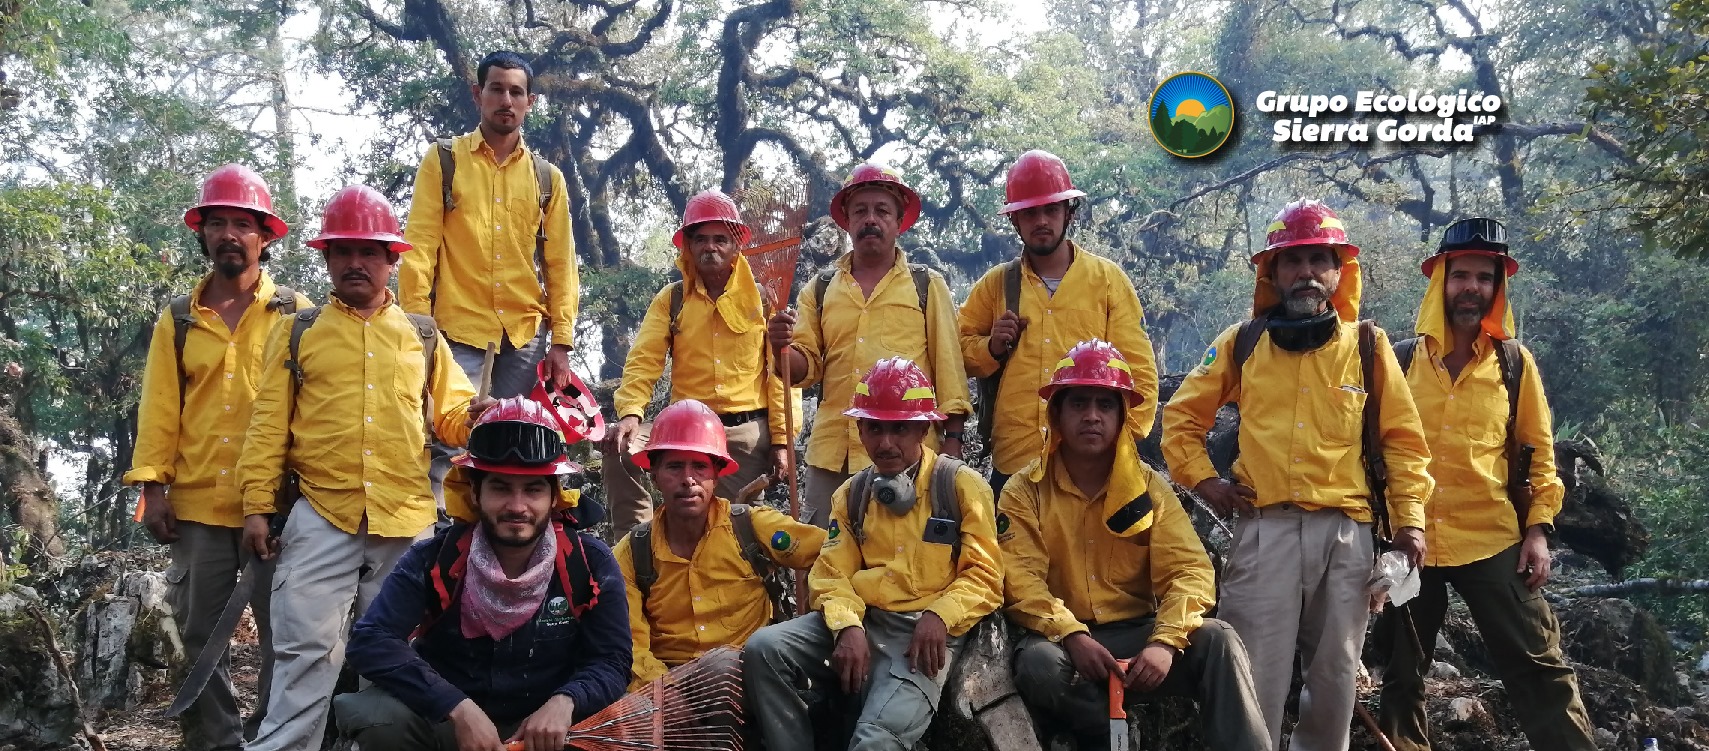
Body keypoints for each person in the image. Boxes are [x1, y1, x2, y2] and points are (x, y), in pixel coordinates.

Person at [1161, 199, 1434, 751]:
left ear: (1338, 271)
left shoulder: (1368, 346)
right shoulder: (1242, 343)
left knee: (1335, 679)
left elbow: (1404, 443)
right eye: (1292, 262)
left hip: (1347, 534)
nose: (1306, 272)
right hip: (1266, 531)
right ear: (1273, 273)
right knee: (1252, 676)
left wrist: (1411, 525)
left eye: (1318, 260)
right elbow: (1181, 417)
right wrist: (1205, 480)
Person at [237, 184, 490, 751]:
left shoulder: (422, 336)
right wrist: (257, 506)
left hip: (405, 520)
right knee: (304, 653)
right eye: (343, 251)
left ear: (390, 260)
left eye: (369, 252)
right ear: (326, 258)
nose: (356, 263)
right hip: (322, 513)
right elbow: (268, 424)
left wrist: (473, 415)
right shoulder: (299, 330)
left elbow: (449, 416)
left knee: (401, 659)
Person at [1376, 218, 1595, 750]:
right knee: (1402, 674)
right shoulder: (1396, 359)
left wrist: (1539, 531)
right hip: (1409, 542)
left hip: (1492, 535)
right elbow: (1371, 448)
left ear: (1498, 288)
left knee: (1538, 664)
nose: (1471, 287)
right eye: (1461, 276)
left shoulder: (1514, 364)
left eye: (1484, 277)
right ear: (1439, 282)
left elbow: (1539, 453)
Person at [1003, 339, 1269, 751]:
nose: (1092, 417)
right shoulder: (1024, 491)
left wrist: (1165, 642)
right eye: (1078, 404)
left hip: (1140, 636)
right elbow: (1021, 580)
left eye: (1105, 405)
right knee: (1037, 665)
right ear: (1056, 413)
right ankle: (1109, 734)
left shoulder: (1147, 486)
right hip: (1065, 644)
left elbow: (1190, 571)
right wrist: (1072, 635)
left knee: (1219, 640)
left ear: (1122, 415)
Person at [123, 164, 308, 751]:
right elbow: (159, 407)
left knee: (286, 636)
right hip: (197, 502)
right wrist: (152, 487)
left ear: (265, 237)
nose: (231, 234)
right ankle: (216, 741)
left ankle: (271, 739)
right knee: (198, 633)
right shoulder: (179, 319)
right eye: (218, 223)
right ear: (202, 233)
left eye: (243, 224)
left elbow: (314, 407)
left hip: (276, 505)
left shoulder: (298, 314)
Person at [334, 397, 631, 751]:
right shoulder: (436, 558)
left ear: (555, 496)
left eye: (533, 489)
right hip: (451, 726)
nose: (517, 506)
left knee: (623, 723)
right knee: (378, 717)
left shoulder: (588, 561)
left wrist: (567, 701)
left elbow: (612, 659)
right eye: (500, 487)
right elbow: (371, 640)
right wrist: (454, 707)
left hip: (544, 734)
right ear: (474, 492)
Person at [743, 358, 1002, 751]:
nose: (885, 443)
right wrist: (848, 625)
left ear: (924, 428)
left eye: (900, 428)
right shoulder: (852, 495)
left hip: (923, 636)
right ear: (859, 429)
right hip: (864, 619)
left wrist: (940, 615)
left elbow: (985, 575)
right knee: (765, 650)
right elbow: (831, 573)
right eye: (874, 427)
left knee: (874, 742)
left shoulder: (960, 486)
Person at [399, 50, 579, 504]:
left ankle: (500, 552)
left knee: (516, 444)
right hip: (455, 333)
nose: (506, 99)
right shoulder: (444, 162)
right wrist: (417, 328)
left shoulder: (546, 178)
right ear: (479, 94)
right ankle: (441, 543)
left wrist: (561, 342)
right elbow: (419, 247)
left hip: (524, 336)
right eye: (496, 89)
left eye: (516, 91)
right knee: (447, 440)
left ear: (529, 102)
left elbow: (560, 262)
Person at [766, 163, 971, 526]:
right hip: (833, 456)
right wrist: (779, 346)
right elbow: (803, 369)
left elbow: (949, 370)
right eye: (860, 211)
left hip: (909, 454)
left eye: (882, 211)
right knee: (822, 556)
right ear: (846, 221)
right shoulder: (820, 288)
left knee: (904, 561)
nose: (870, 220)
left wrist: (952, 442)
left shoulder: (926, 285)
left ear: (898, 221)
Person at [958, 151, 1158, 492]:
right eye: (1030, 213)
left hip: (1090, 467)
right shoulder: (996, 285)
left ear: (1069, 213)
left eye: (1051, 210)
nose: (1041, 221)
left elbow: (1140, 374)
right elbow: (957, 350)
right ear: (1014, 220)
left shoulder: (1106, 280)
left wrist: (1117, 446)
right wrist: (990, 347)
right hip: (1015, 460)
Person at [605, 191, 793, 538]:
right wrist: (631, 413)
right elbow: (644, 360)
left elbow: (782, 375)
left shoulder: (765, 300)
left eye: (721, 239)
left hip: (744, 433)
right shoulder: (672, 299)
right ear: (687, 247)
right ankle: (635, 548)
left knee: (737, 539)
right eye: (701, 239)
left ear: (736, 247)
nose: (711, 248)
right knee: (621, 448)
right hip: (684, 430)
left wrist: (782, 442)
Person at [613, 398, 824, 688]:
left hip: (752, 679)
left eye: (700, 467)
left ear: (716, 475)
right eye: (674, 467)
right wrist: (662, 690)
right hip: (669, 684)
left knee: (722, 668)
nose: (688, 479)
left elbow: (830, 554)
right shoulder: (632, 552)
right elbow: (630, 644)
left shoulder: (751, 526)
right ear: (655, 476)